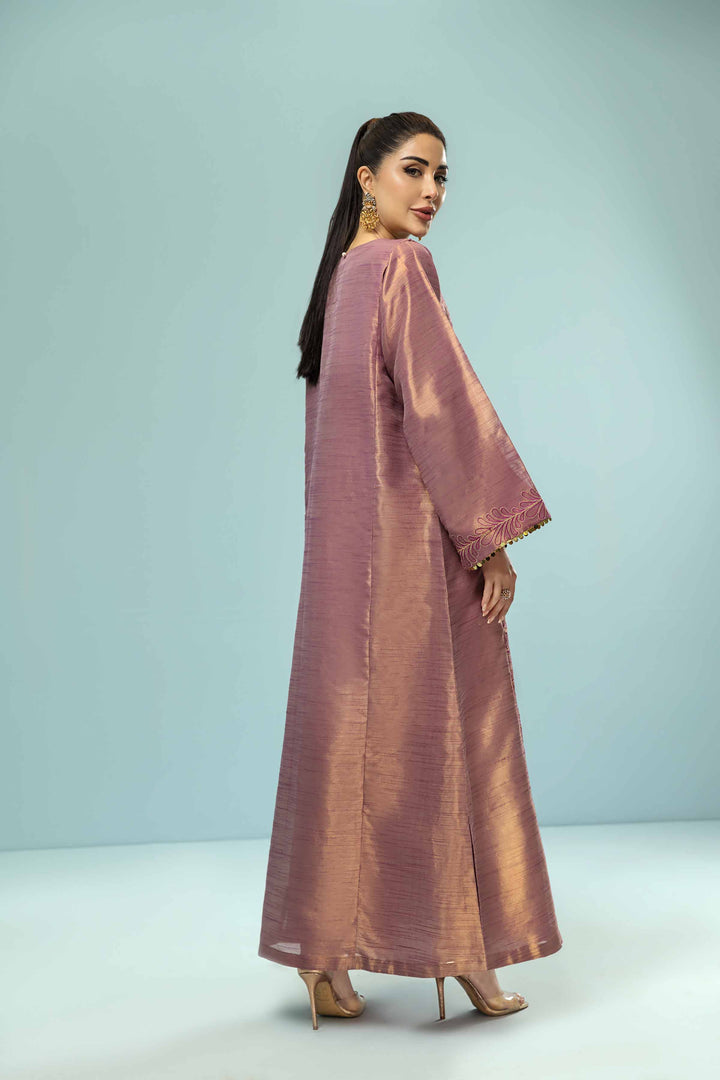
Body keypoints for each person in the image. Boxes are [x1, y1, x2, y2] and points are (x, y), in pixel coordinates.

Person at [257, 112, 562, 1030]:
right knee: (451, 731)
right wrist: (490, 539)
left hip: (342, 557)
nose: (431, 192)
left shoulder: (338, 281)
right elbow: (442, 407)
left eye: (442, 177)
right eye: (414, 171)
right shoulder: (400, 267)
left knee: (348, 740)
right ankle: (459, 949)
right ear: (366, 177)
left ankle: (324, 958)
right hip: (411, 555)